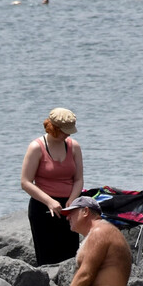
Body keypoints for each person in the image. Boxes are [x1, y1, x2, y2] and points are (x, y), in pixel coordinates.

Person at [22, 197, 131, 286]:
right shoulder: (98, 232)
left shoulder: (100, 231)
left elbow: (86, 274)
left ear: (85, 211)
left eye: (71, 213)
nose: (67, 218)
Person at [20, 107, 85, 265]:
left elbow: (79, 179)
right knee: (47, 260)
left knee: (70, 258)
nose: (69, 134)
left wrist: (72, 200)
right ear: (54, 129)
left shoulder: (73, 146)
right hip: (43, 207)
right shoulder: (36, 147)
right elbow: (25, 182)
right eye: (65, 131)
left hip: (69, 208)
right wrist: (49, 201)